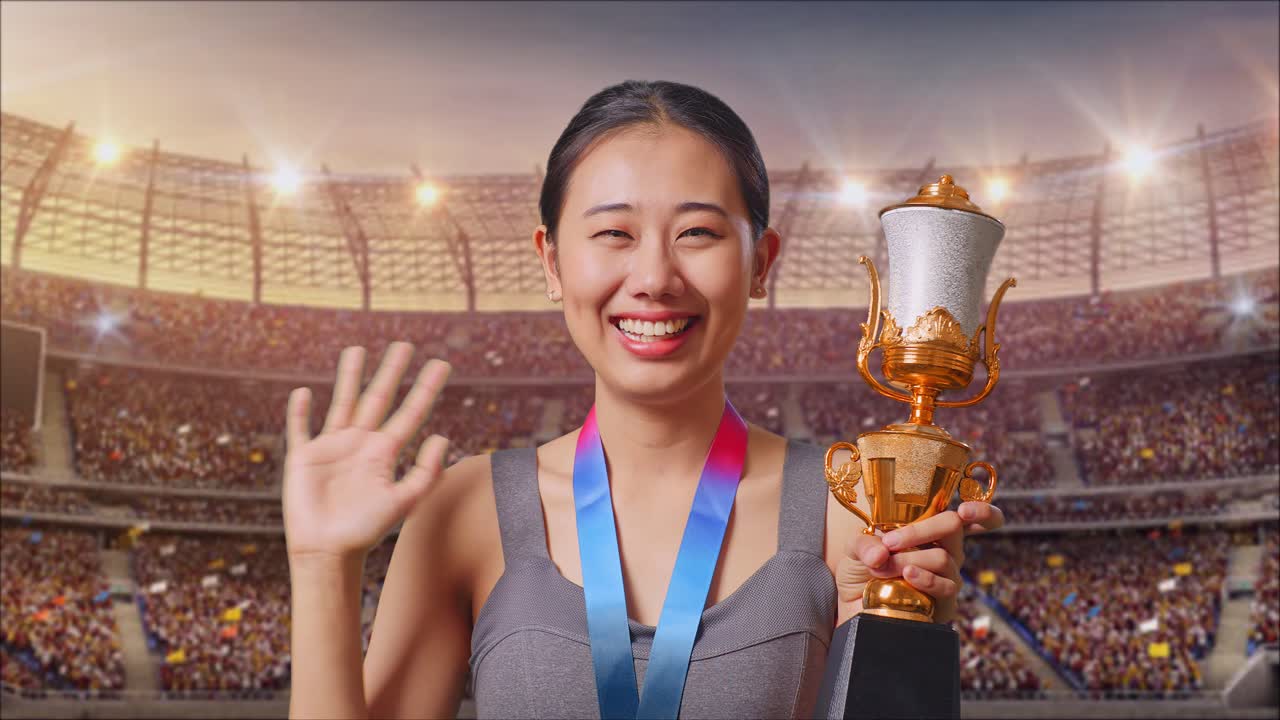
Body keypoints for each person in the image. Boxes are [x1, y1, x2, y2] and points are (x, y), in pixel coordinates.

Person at [284, 80, 1004, 720]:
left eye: (697, 233)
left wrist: (904, 635)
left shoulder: (853, 510)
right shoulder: (465, 511)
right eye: (613, 234)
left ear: (761, 264)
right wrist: (320, 565)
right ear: (551, 261)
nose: (654, 276)